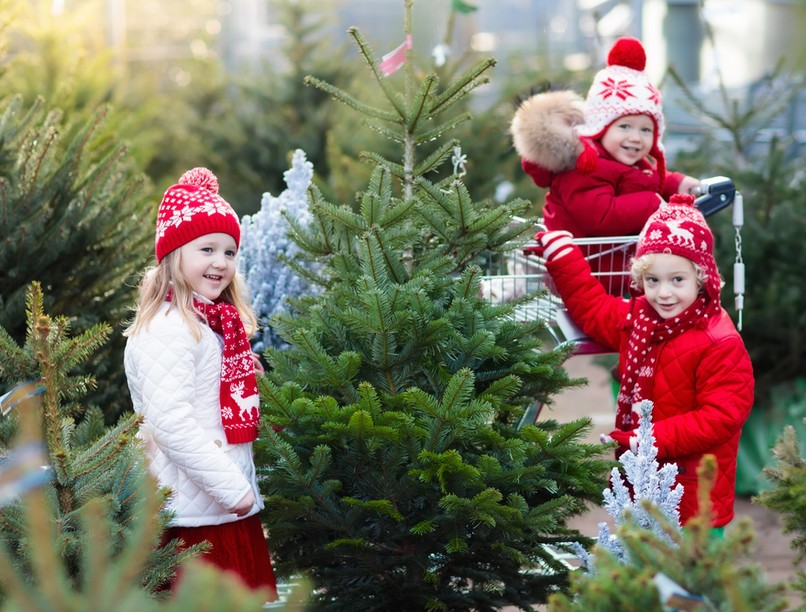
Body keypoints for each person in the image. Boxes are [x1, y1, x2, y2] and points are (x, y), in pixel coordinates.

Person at [533, 194, 753, 530]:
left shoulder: (718, 341)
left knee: (692, 564)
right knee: (641, 560)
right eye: (653, 280)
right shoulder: (640, 320)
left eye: (677, 280)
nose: (663, 293)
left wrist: (646, 440)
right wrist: (564, 259)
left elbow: (720, 417)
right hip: (642, 486)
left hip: (694, 498)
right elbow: (594, 310)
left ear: (701, 277)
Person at [124, 167, 277, 597]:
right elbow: (169, 422)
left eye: (230, 252)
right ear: (174, 255)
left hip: (218, 505)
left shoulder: (212, 324)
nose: (221, 262)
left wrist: (243, 377)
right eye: (207, 248)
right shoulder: (168, 327)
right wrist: (233, 490)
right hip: (194, 516)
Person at [511, 37, 702, 296]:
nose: (636, 137)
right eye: (625, 126)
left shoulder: (621, 159)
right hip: (584, 275)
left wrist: (675, 183)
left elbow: (640, 179)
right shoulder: (583, 167)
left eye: (646, 130)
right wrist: (651, 205)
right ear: (600, 127)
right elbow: (600, 216)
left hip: (610, 270)